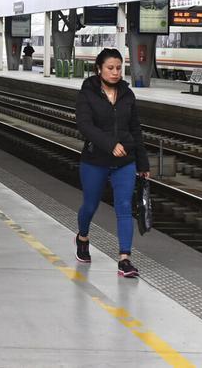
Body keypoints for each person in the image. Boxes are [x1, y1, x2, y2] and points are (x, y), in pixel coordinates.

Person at [74, 47, 150, 277]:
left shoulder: (128, 95)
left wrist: (143, 163)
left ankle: (124, 259)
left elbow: (135, 130)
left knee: (125, 208)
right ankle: (82, 236)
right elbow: (85, 125)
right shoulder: (87, 94)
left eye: (119, 68)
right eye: (110, 68)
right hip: (95, 160)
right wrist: (109, 144)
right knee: (90, 205)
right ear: (99, 69)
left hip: (125, 161)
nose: (115, 72)